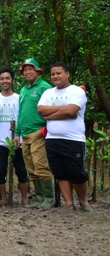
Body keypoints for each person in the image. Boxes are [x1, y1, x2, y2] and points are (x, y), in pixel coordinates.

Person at [38, 62, 90, 211]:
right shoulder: (48, 92)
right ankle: (68, 203)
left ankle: (82, 200)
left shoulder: (77, 92)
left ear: (67, 74)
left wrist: (51, 115)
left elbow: (71, 111)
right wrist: (64, 108)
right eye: (53, 74)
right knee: (60, 172)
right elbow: (41, 110)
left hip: (73, 139)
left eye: (59, 73)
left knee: (76, 172)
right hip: (52, 139)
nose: (55, 76)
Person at [15, 58, 54, 208]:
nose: (27, 72)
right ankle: (39, 198)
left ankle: (48, 199)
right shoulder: (23, 90)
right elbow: (21, 113)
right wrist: (17, 133)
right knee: (31, 167)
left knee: (40, 166)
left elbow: (51, 109)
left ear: (37, 71)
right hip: (25, 134)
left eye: (30, 69)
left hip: (39, 132)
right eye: (25, 70)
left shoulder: (45, 88)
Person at [0, 68, 28, 205]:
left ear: (13, 80)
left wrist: (19, 135)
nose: (5, 81)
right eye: (2, 79)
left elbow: (23, 118)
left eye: (7, 78)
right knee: (0, 169)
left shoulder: (20, 98)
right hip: (0, 140)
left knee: (21, 169)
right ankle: (3, 198)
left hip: (18, 139)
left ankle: (24, 198)